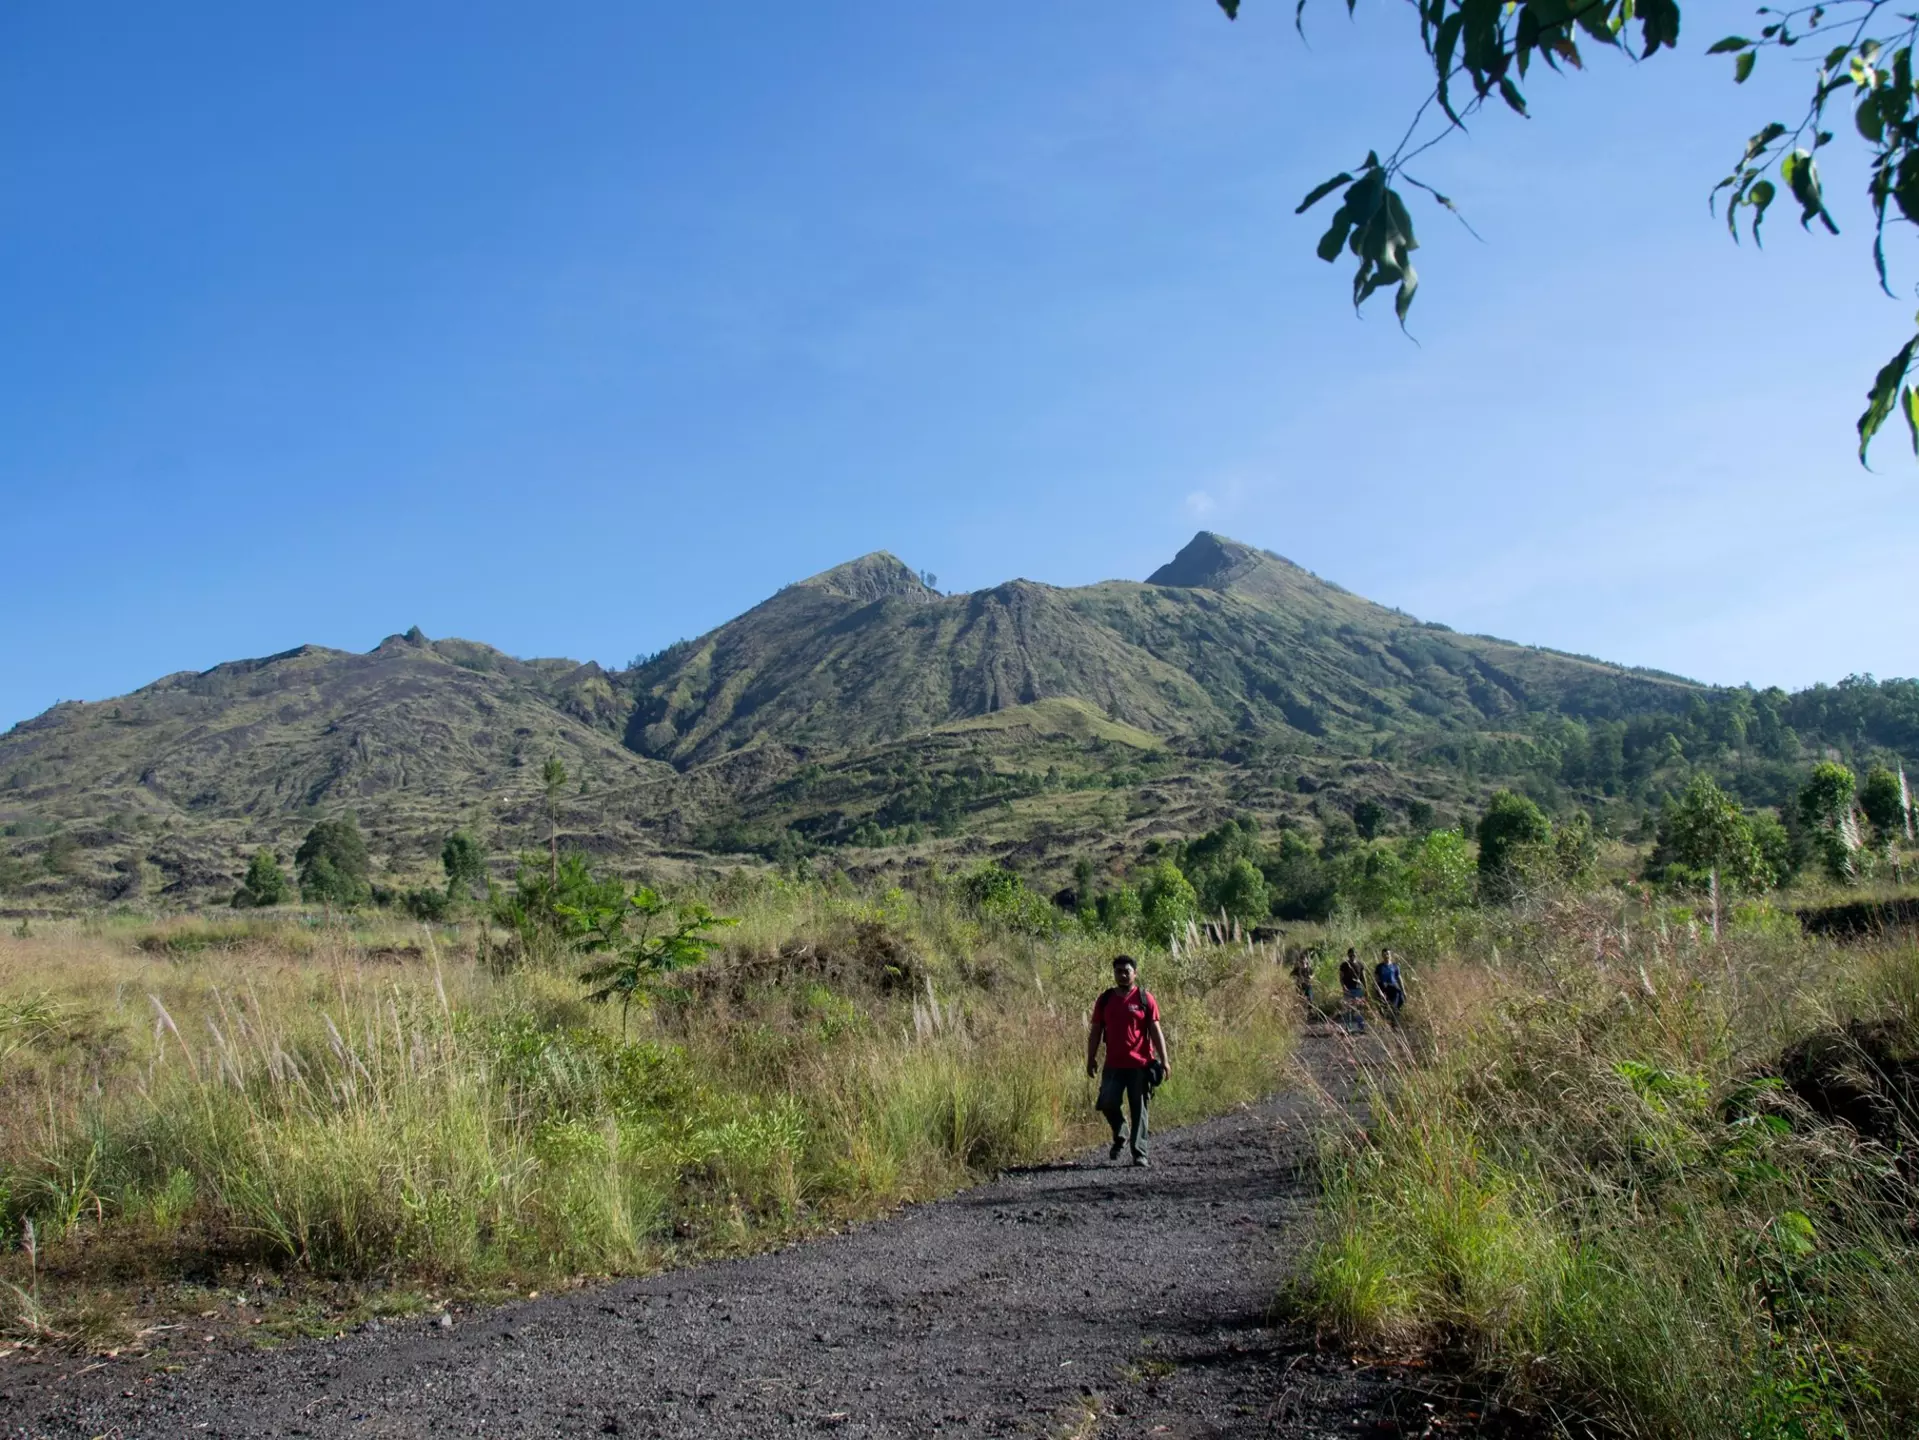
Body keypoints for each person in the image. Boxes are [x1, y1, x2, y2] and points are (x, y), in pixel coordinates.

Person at [1087, 955, 1169, 1167]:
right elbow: (1096, 1030)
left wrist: (1165, 1060)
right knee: (1107, 1102)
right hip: (1113, 1064)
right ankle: (1120, 1131)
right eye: (1118, 971)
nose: (1122, 975)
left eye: (1126, 971)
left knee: (1139, 1110)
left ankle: (1139, 1153)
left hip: (1140, 1065)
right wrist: (1091, 1057)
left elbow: (1155, 1030)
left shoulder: (1145, 998)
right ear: (1114, 973)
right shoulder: (1105, 999)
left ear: (1135, 973)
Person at [1338, 946, 1367, 1033]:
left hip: (1358, 989)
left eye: (1353, 955)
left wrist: (1365, 989)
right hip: (1348, 989)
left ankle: (1361, 1027)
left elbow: (1363, 977)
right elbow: (1341, 977)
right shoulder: (1344, 965)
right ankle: (1348, 1027)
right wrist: (1343, 986)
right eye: (1350, 955)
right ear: (1348, 955)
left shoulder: (1360, 965)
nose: (1352, 957)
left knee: (1358, 1009)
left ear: (1356, 955)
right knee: (1348, 1009)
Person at [1373, 948, 1405, 1022]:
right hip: (1384, 989)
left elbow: (1399, 978)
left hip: (1394, 988)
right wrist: (1377, 991)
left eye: (1387, 954)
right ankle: (1387, 1022)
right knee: (1385, 1007)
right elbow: (1376, 980)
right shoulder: (1379, 967)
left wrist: (1403, 990)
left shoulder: (1395, 966)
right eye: (1384, 954)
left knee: (1396, 1005)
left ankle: (1394, 1023)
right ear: (1382, 955)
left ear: (1390, 955)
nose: (1386, 956)